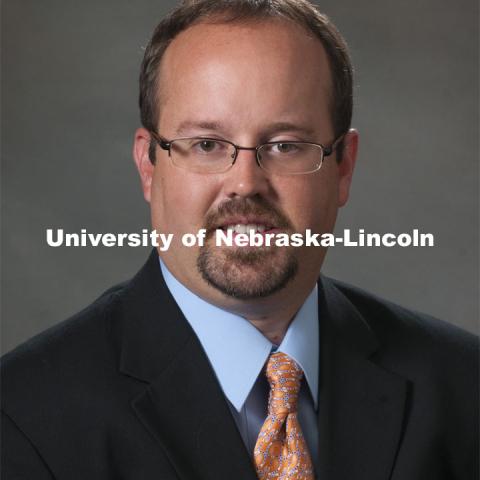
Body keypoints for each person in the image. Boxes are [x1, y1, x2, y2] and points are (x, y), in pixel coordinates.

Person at [1, 1, 478, 479]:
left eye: (286, 145)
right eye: (207, 144)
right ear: (149, 166)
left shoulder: (464, 386)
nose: (245, 183)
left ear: (343, 168)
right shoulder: (22, 417)